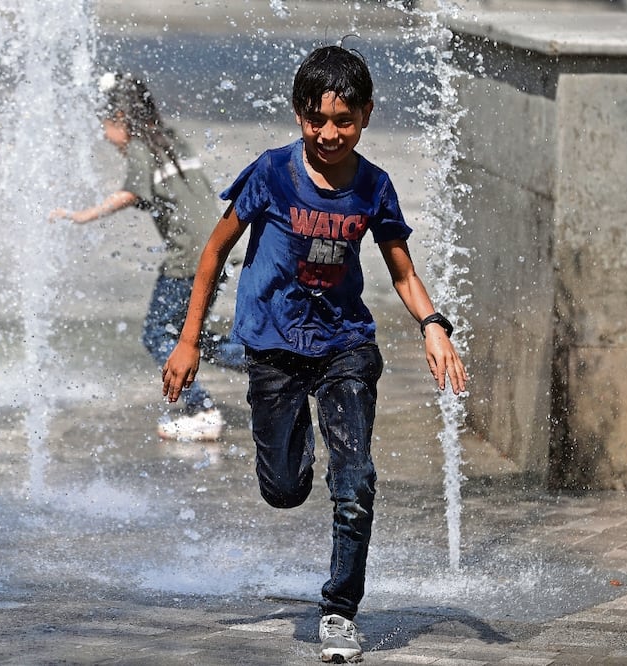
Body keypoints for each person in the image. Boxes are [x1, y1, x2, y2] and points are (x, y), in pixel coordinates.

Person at [161, 45, 467, 663]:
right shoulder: (272, 173)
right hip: (273, 345)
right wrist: (189, 339)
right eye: (316, 119)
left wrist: (433, 324)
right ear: (299, 115)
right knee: (284, 488)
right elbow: (215, 251)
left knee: (356, 481)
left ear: (367, 115)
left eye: (343, 121)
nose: (329, 134)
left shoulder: (375, 187)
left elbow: (402, 273)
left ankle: (339, 610)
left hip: (344, 345)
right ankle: (294, 453)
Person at [50, 72, 244, 442]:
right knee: (191, 333)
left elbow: (130, 191)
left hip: (187, 255)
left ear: (121, 118)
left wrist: (83, 215)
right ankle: (264, 364)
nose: (106, 137)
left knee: (158, 333)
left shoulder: (140, 146)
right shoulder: (170, 138)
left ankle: (201, 409)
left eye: (106, 126)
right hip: (216, 246)